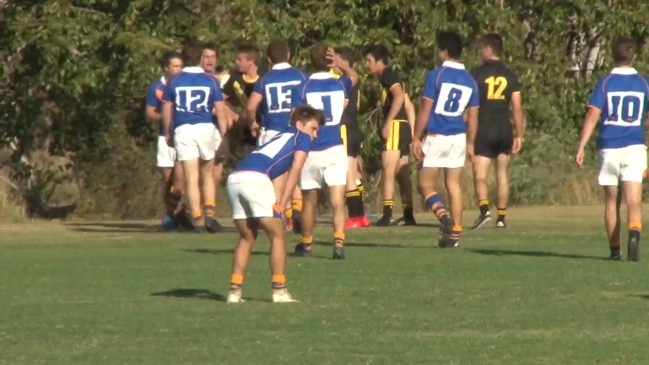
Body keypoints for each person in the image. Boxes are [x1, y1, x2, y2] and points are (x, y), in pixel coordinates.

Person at [226, 105, 324, 303]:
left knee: (247, 237)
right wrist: (283, 203)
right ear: (299, 124)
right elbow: (294, 172)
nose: (314, 135)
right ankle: (279, 291)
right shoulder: (301, 138)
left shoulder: (280, 135)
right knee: (278, 235)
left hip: (234, 178)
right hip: (255, 179)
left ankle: (234, 293)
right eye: (313, 128)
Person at [575, 37, 649, 262]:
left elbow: (593, 115)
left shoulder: (605, 83)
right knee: (634, 200)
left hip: (609, 147)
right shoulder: (644, 83)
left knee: (611, 200)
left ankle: (615, 250)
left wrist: (581, 145)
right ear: (633, 56)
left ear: (612, 56)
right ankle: (634, 233)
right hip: (635, 146)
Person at [412, 31, 479, 248]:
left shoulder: (436, 75)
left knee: (424, 183)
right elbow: (474, 115)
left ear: (444, 52)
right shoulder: (471, 81)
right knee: (453, 185)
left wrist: (415, 137)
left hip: (436, 135)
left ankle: (443, 217)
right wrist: (470, 142)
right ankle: (455, 235)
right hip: (458, 136)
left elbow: (425, 108)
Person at [161, 42, 229, 233]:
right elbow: (221, 111)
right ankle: (210, 215)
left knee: (190, 176)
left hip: (183, 129)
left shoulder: (174, 80)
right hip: (205, 127)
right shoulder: (210, 80)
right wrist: (224, 135)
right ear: (200, 57)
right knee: (207, 173)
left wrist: (168, 131)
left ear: (183, 59)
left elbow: (167, 109)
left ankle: (197, 220)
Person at [292, 42, 348, 260]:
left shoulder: (303, 87)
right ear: (329, 61)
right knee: (337, 199)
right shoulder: (339, 85)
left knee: (309, 201)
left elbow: (295, 118)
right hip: (335, 145)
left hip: (311, 148)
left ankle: (306, 245)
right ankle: (338, 244)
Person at [246, 39, 306, 233]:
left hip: (272, 131)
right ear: (288, 55)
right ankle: (295, 211)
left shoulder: (265, 79)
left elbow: (250, 107)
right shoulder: (301, 76)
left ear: (269, 59)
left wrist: (252, 123)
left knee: (275, 179)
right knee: (295, 173)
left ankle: (280, 215)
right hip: (295, 131)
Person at [469, 33, 524, 230]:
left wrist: (468, 133)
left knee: (480, 175)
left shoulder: (476, 74)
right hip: (504, 128)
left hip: (484, 127)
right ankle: (501, 218)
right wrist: (519, 133)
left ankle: (484, 211)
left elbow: (470, 107)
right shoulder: (510, 75)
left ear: (487, 49)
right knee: (502, 174)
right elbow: (516, 107)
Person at [364, 45, 416, 227]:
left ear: (379, 61)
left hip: (395, 126)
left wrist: (387, 123)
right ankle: (408, 214)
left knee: (388, 168)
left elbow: (400, 97)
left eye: (369, 60)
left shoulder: (387, 75)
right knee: (402, 173)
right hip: (403, 128)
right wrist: (413, 133)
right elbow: (409, 105)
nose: (367, 64)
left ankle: (387, 214)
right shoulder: (394, 76)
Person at [328, 46, 371, 228]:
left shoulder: (345, 80)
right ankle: (360, 216)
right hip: (353, 128)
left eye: (336, 61)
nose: (333, 65)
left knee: (348, 177)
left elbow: (352, 76)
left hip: (346, 128)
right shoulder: (346, 81)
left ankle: (354, 217)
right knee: (353, 175)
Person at [145, 50, 186, 230]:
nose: (178, 69)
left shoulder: (184, 85)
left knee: (180, 178)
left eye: (181, 66)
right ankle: (171, 214)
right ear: (166, 68)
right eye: (175, 66)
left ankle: (181, 212)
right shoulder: (157, 87)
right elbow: (150, 112)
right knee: (168, 179)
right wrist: (166, 117)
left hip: (184, 136)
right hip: (165, 137)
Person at [200, 42, 232, 231]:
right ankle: (199, 213)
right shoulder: (196, 78)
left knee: (217, 170)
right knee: (200, 171)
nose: (210, 60)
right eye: (206, 56)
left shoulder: (221, 79)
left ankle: (209, 212)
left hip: (216, 129)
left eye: (213, 57)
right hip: (201, 127)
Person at [222, 42, 263, 155]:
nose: (236, 62)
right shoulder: (235, 78)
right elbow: (220, 100)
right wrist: (232, 114)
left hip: (262, 126)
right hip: (244, 130)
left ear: (250, 61)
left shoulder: (264, 77)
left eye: (240, 59)